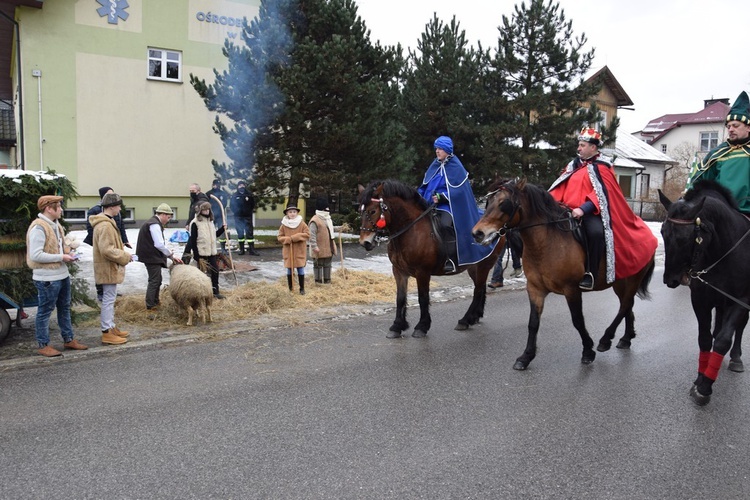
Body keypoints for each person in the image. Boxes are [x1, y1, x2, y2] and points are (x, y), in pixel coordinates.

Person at [549, 127, 658, 290]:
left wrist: (582, 209)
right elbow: (560, 187)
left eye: (583, 145)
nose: (579, 148)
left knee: (595, 233)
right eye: (579, 145)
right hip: (566, 210)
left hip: (589, 212)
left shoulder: (603, 167)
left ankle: (590, 274)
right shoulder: (573, 165)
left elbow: (603, 193)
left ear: (593, 147)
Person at [417, 136, 496, 273]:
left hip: (448, 206)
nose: (437, 151)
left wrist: (442, 197)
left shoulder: (456, 167)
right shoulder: (435, 165)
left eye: (440, 149)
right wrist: (417, 196)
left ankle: (449, 259)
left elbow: (460, 192)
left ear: (447, 150)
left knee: (444, 225)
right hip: (428, 204)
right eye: (436, 148)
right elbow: (425, 185)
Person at [26, 195, 88, 357]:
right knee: (45, 311)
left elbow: (57, 248)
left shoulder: (55, 225)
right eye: (59, 207)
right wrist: (62, 257)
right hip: (47, 278)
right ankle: (43, 344)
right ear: (49, 208)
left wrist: (69, 253)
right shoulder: (39, 228)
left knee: (64, 308)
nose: (61, 209)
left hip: (61, 275)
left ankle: (68, 339)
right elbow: (36, 255)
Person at [687, 91, 750, 213]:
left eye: (735, 126)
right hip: (721, 213)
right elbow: (700, 181)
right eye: (729, 126)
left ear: (748, 127)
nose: (731, 130)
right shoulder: (717, 153)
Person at [90, 192, 134, 345]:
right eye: (118, 206)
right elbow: (107, 249)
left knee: (110, 298)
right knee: (108, 300)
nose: (120, 209)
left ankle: (111, 326)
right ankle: (107, 331)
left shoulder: (107, 222)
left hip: (109, 266)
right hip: (107, 267)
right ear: (112, 207)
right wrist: (125, 256)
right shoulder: (104, 225)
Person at [84, 186, 131, 302]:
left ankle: (107, 293)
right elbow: (93, 231)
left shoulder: (113, 215)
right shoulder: (98, 214)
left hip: (114, 242)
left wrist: (123, 241)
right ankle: (101, 292)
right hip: (104, 245)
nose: (120, 209)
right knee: (104, 275)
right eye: (109, 194)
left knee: (110, 290)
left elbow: (120, 227)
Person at [135, 203, 183, 311]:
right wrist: (171, 255)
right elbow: (159, 244)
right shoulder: (154, 224)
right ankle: (151, 305)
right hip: (151, 257)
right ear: (163, 215)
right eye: (168, 217)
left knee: (157, 279)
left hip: (150, 256)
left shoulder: (153, 223)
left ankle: (155, 301)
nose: (169, 220)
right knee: (154, 280)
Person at [188, 201, 227, 299]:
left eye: (208, 209)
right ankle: (200, 293)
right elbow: (192, 240)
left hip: (211, 252)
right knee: (201, 274)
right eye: (204, 209)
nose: (206, 211)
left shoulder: (210, 222)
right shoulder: (195, 223)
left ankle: (215, 291)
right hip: (201, 253)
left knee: (215, 271)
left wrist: (223, 229)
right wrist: (196, 255)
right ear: (200, 211)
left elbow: (214, 235)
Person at [277, 204, 310, 295]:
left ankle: (302, 288)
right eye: (290, 212)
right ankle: (291, 288)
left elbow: (307, 234)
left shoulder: (302, 223)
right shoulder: (284, 225)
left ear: (297, 213)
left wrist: (295, 237)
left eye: (294, 212)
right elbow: (279, 237)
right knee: (289, 270)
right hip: (289, 251)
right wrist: (287, 239)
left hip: (299, 250)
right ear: (287, 213)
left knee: (300, 269)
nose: (292, 214)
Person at [308, 197, 337, 284]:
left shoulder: (327, 218)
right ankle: (318, 282)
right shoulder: (315, 220)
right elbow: (311, 235)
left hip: (328, 247)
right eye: (326, 208)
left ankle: (327, 280)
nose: (328, 210)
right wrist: (314, 246)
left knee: (327, 264)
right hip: (318, 248)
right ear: (322, 208)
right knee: (318, 265)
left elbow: (328, 229)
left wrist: (340, 228)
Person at [230, 180, 259, 256]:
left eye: (243, 185)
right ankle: (241, 250)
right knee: (240, 234)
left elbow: (252, 205)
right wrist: (237, 212)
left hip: (247, 217)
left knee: (250, 234)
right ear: (238, 187)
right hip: (238, 217)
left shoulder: (249, 195)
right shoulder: (235, 196)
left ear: (245, 186)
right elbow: (231, 206)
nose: (241, 187)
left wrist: (248, 211)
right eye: (240, 185)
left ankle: (251, 250)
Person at [206, 179, 230, 252]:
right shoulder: (208, 194)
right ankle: (209, 247)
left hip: (220, 216)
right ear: (212, 185)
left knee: (222, 231)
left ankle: (223, 248)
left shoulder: (223, 194)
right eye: (215, 184)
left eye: (218, 184)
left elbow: (224, 203)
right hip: (210, 216)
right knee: (209, 231)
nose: (216, 186)